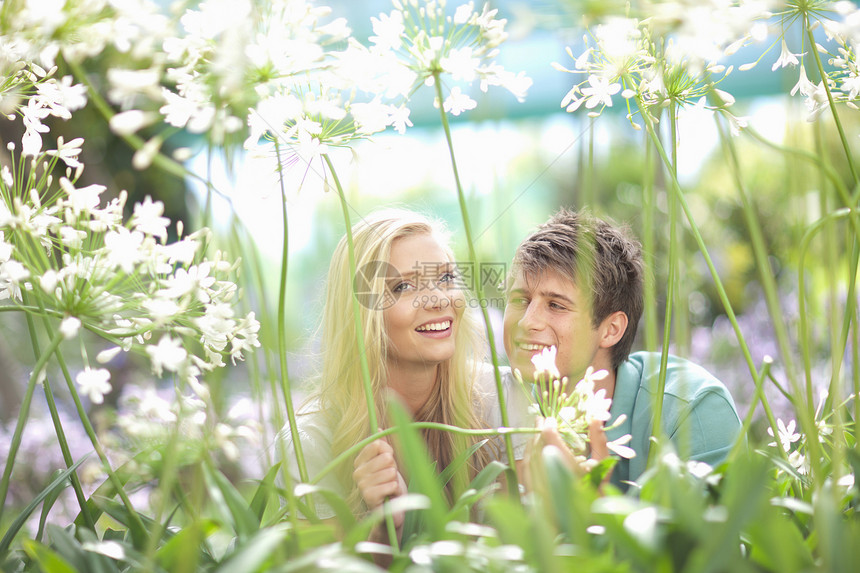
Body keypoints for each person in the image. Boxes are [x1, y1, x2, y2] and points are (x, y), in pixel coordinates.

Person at [281, 208, 501, 539]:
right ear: (362, 316)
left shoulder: (499, 395)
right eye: (402, 287)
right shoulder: (310, 441)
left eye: (445, 278)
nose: (438, 299)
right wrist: (383, 529)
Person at [501, 207, 742, 491]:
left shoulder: (693, 409)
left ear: (611, 329)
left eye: (556, 305)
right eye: (520, 300)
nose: (528, 322)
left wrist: (587, 509)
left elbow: (707, 533)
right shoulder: (489, 405)